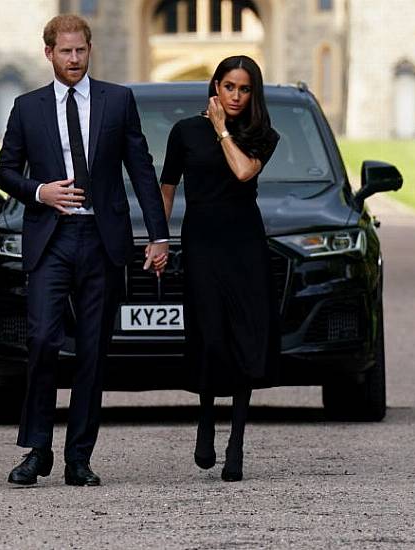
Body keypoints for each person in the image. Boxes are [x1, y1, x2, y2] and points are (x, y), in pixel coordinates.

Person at [0, 14, 170, 487]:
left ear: (90, 49)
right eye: (65, 51)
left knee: (93, 350)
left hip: (102, 239)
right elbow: (4, 172)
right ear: (48, 52)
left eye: (81, 50)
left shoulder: (118, 100)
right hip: (51, 238)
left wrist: (158, 235)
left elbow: (141, 168)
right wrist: (40, 192)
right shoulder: (27, 107)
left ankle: (79, 457)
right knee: (43, 339)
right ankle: (37, 449)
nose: (73, 59)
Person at [158, 55, 281, 482]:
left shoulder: (261, 134)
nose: (236, 95)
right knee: (210, 337)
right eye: (229, 86)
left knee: (244, 337)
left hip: (244, 244)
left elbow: (244, 171)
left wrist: (223, 131)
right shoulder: (184, 132)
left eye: (244, 89)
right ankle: (207, 419)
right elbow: (168, 188)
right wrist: (159, 238)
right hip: (202, 244)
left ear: (253, 93)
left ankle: (237, 444)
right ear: (215, 85)